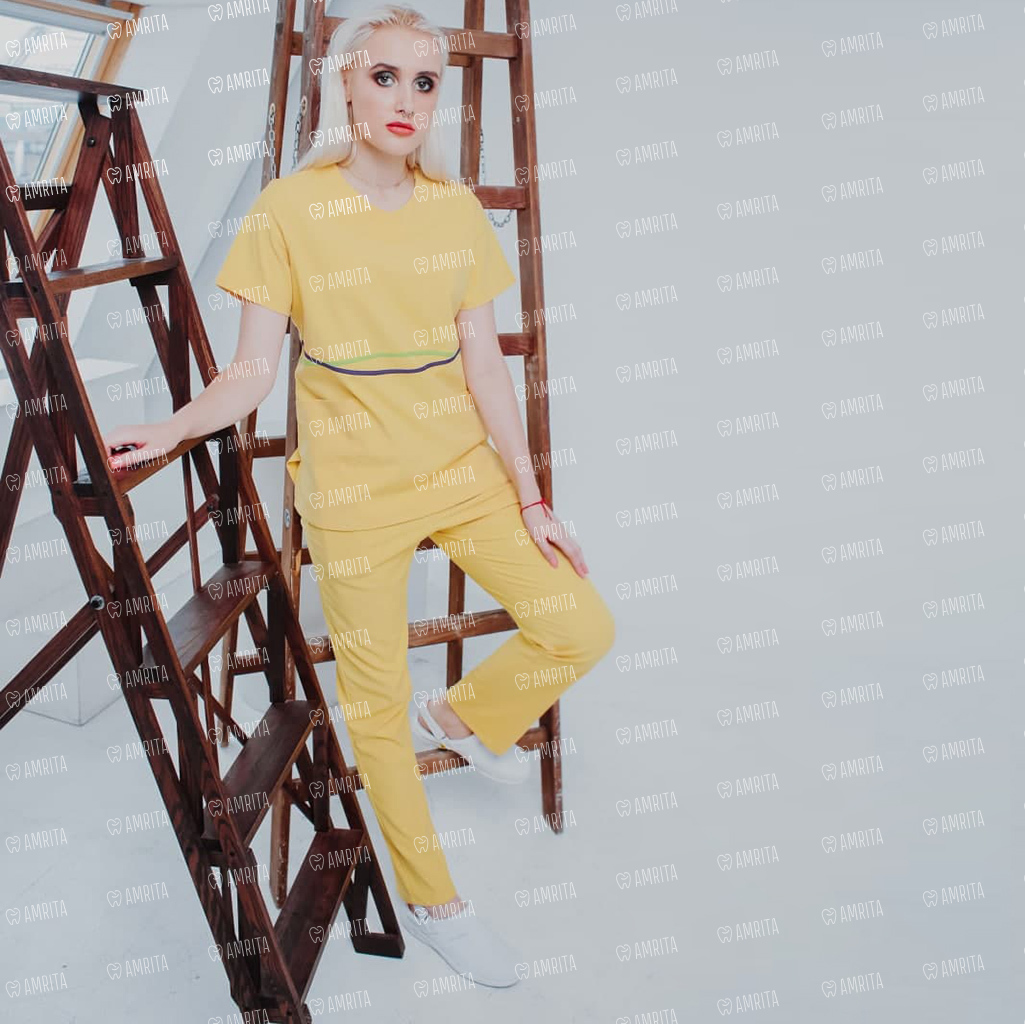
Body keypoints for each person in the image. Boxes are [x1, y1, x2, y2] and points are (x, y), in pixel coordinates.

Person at [102, 3, 615, 988]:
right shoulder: (288, 210)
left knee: (578, 624)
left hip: (460, 469)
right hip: (351, 490)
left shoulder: (454, 209)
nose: (405, 98)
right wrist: (169, 428)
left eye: (424, 82)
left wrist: (530, 496)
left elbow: (486, 366)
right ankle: (434, 903)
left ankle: (456, 718)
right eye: (384, 76)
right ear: (345, 82)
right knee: (373, 707)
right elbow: (252, 375)